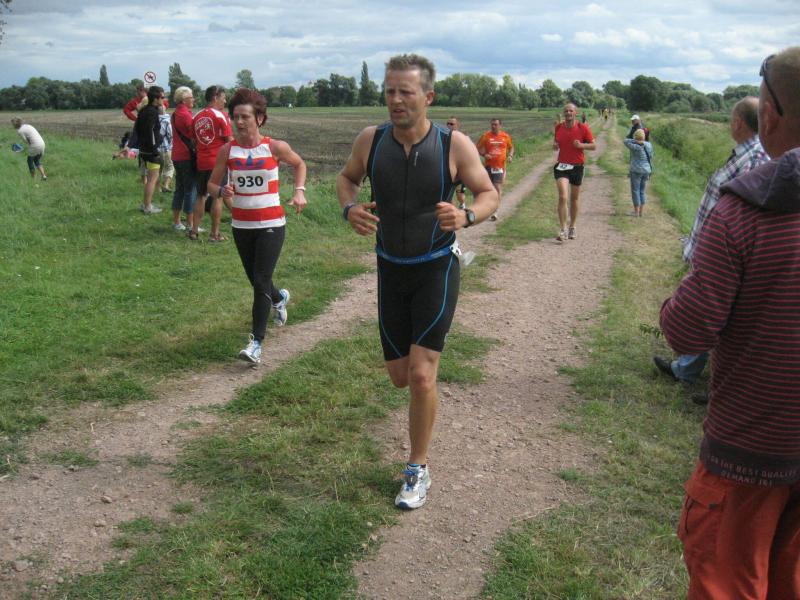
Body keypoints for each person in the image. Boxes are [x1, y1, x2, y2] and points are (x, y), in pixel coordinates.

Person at [660, 46, 800, 599]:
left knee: (727, 584)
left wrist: (677, 300)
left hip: (749, 451)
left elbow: (689, 332)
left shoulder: (745, 208)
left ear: (769, 113)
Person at [337, 54, 499, 510]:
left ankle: (417, 467)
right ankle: (418, 429)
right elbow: (347, 179)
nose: (396, 100)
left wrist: (466, 216)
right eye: (390, 91)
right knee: (399, 377)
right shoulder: (371, 140)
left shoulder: (453, 145)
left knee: (422, 375)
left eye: (405, 92)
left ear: (428, 96)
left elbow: (489, 194)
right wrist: (349, 208)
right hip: (390, 268)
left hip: (436, 267)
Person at [653, 97, 767, 387]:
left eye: (731, 119)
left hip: (725, 255)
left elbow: (746, 213)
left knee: (720, 314)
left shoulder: (754, 158)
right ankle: (690, 370)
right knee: (716, 313)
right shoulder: (747, 153)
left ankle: (713, 380)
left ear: (738, 122)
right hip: (717, 249)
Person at [208, 88, 307, 363]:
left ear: (259, 119)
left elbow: (299, 164)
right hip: (241, 225)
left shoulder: (275, 147)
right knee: (256, 280)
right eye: (235, 117)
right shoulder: (227, 151)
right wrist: (222, 191)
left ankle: (256, 343)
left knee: (261, 280)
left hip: (271, 223)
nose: (239, 122)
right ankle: (279, 298)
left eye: (245, 117)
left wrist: (299, 191)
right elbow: (211, 184)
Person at [190, 85, 233, 242]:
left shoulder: (196, 116)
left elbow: (193, 140)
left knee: (200, 195)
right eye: (223, 98)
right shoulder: (221, 115)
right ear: (215, 97)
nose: (225, 101)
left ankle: (194, 230)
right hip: (218, 163)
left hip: (202, 161)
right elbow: (229, 141)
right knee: (218, 197)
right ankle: (214, 234)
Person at [553, 102, 596, 241]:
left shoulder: (583, 128)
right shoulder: (559, 127)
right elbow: (556, 142)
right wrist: (555, 145)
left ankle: (572, 226)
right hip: (562, 166)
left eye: (571, 111)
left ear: (575, 113)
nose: (568, 113)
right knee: (563, 196)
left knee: (574, 198)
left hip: (577, 166)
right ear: (564, 113)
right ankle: (563, 229)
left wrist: (581, 145)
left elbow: (594, 145)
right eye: (566, 111)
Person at [133, 85, 165, 214]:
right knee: (152, 178)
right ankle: (147, 206)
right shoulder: (152, 112)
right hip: (151, 151)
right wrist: (155, 147)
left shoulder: (143, 110)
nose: (163, 99)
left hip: (143, 149)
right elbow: (150, 131)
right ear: (155, 99)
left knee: (150, 178)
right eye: (162, 97)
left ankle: (145, 204)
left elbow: (137, 129)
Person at [170, 86, 197, 232]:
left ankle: (177, 222)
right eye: (191, 97)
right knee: (190, 189)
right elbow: (193, 135)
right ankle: (190, 224)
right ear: (184, 99)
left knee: (179, 189)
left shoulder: (175, 113)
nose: (193, 99)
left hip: (176, 154)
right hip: (187, 155)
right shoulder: (185, 115)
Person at [476, 118, 513, 220]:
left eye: (495, 124)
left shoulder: (505, 136)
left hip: (499, 166)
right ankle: (488, 207)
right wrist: (484, 154)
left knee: (497, 188)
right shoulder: (486, 136)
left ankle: (495, 211)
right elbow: (477, 148)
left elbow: (511, 147)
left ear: (500, 125)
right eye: (492, 124)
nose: (493, 126)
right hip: (488, 166)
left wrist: (510, 156)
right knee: (488, 188)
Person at [622, 128, 653, 217]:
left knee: (635, 191)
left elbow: (625, 141)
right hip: (646, 170)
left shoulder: (635, 147)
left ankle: (636, 212)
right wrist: (642, 141)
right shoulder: (649, 145)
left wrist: (635, 140)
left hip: (636, 171)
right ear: (644, 137)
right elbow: (651, 156)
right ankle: (641, 212)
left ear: (635, 137)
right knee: (642, 191)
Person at [446, 116, 467, 208]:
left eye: (452, 124)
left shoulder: (463, 138)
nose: (449, 125)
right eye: (448, 123)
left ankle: (462, 204)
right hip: (448, 172)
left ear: (457, 126)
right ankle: (452, 211)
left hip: (460, 172)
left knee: (460, 196)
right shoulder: (444, 137)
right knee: (447, 196)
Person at [157, 105, 174, 194]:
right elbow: (170, 134)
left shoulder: (153, 120)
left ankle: (158, 188)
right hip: (165, 148)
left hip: (155, 149)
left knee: (157, 169)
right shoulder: (167, 120)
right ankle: (166, 185)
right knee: (170, 167)